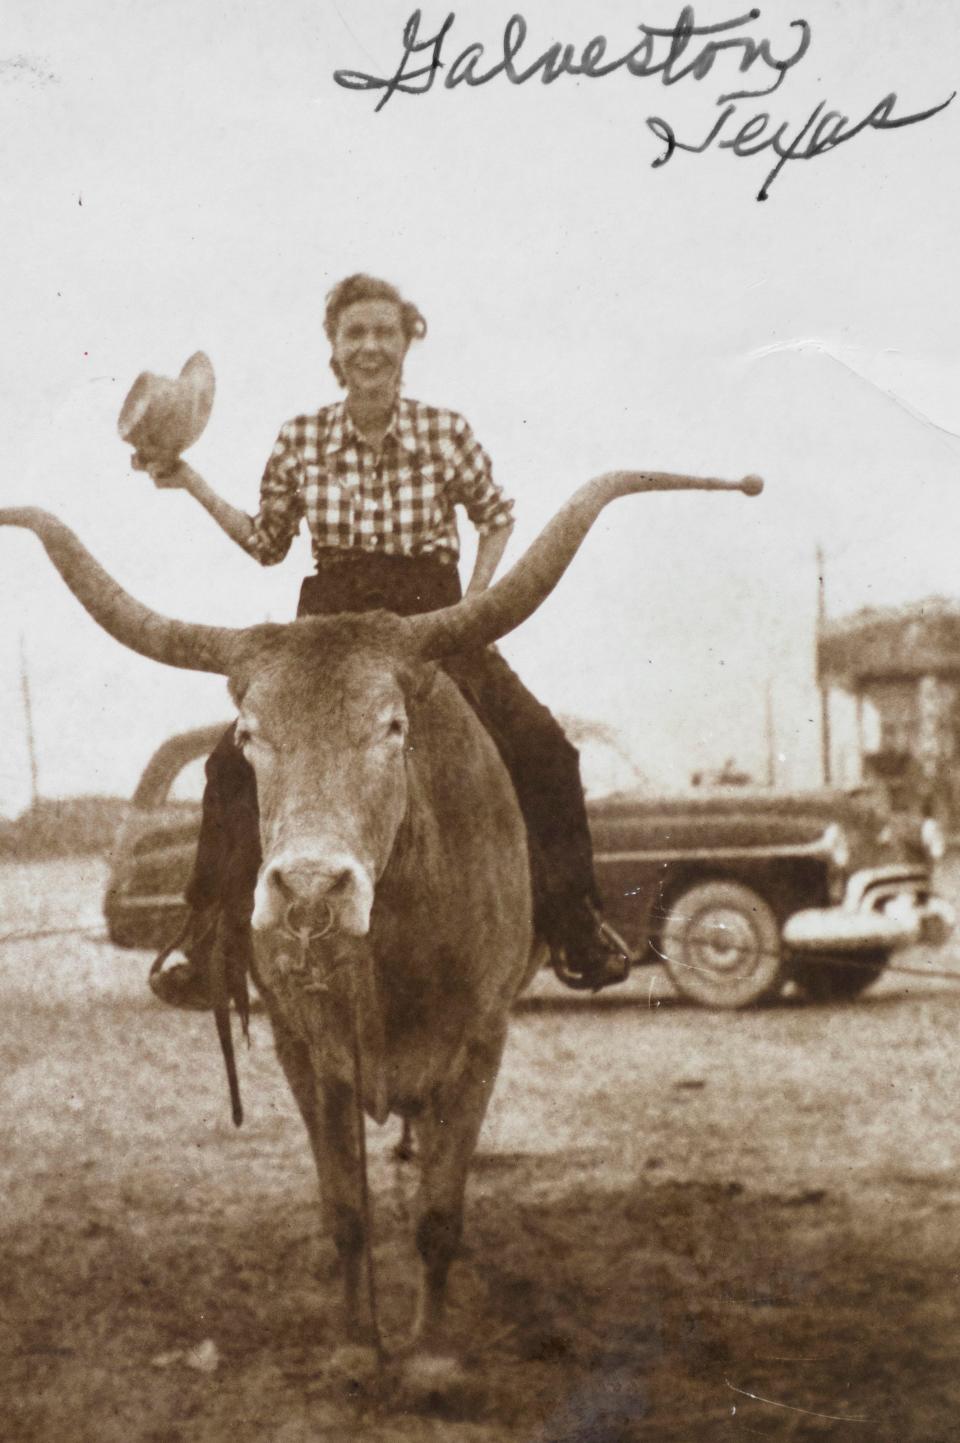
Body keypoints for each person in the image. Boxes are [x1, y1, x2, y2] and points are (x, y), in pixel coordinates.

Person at [144, 273, 629, 1003]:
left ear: (407, 345)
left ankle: (575, 922)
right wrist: (188, 480)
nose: (370, 346)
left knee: (544, 747)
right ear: (334, 352)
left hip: (428, 618)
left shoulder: (446, 429)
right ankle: (210, 941)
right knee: (228, 766)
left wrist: (475, 604)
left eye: (384, 332)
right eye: (354, 334)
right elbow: (267, 540)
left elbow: (495, 515)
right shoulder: (300, 436)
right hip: (326, 627)